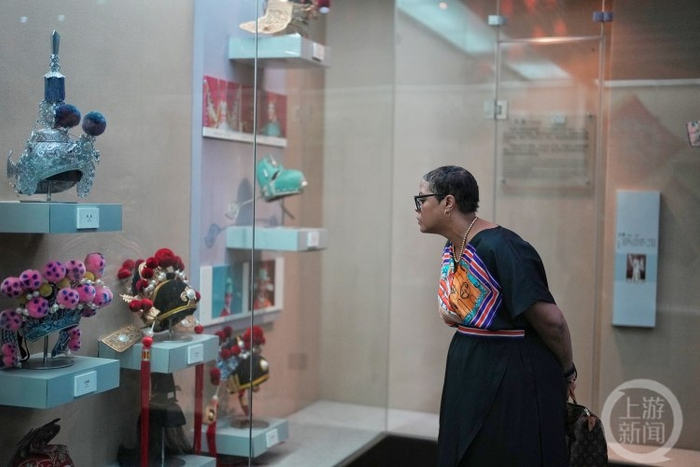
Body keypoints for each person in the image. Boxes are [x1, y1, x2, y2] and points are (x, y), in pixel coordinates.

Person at [415, 165, 576, 466]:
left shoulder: (502, 246)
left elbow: (552, 321)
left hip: (511, 373)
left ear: (448, 203)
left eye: (421, 200)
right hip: (472, 365)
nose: (417, 209)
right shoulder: (455, 246)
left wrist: (567, 371)